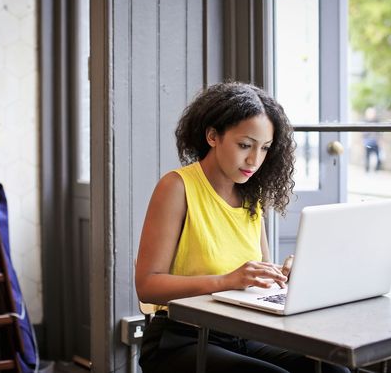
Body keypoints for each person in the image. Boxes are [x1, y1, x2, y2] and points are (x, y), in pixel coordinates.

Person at [135, 82, 348, 373]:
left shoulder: (251, 196)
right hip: (181, 337)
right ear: (212, 136)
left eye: (265, 148)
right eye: (245, 145)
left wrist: (283, 275)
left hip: (244, 332)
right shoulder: (177, 187)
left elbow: (258, 275)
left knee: (334, 369)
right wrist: (226, 280)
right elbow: (148, 286)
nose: (254, 160)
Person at [363, 107, 382, 172]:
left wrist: (379, 140)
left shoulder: (377, 121)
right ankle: (367, 169)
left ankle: (377, 169)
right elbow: (364, 134)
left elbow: (379, 133)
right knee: (367, 156)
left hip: (375, 142)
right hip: (368, 142)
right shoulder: (365, 122)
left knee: (378, 156)